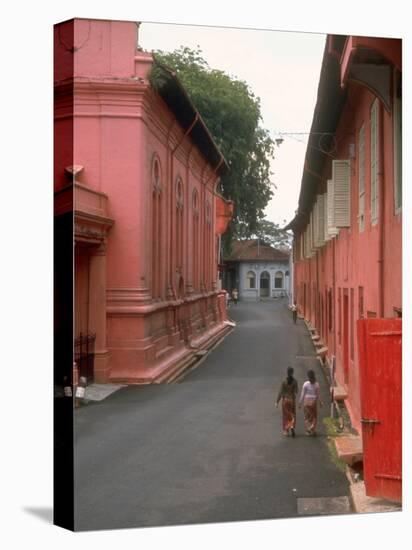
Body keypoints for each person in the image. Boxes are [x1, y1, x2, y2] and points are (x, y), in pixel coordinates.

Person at [298, 369, 323, 436]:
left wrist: (300, 403)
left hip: (306, 402)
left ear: (308, 376)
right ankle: (312, 428)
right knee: (314, 416)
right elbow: (318, 394)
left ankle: (308, 430)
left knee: (307, 417)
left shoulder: (305, 384)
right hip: (313, 402)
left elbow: (302, 394)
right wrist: (320, 402)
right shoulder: (316, 384)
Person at [275, 367, 298, 437]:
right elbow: (296, 391)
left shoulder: (284, 382)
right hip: (292, 400)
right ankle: (292, 426)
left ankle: (286, 431)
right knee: (292, 414)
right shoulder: (295, 381)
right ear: (292, 372)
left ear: (287, 372)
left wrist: (277, 402)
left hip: (285, 400)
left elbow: (280, 392)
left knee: (285, 416)